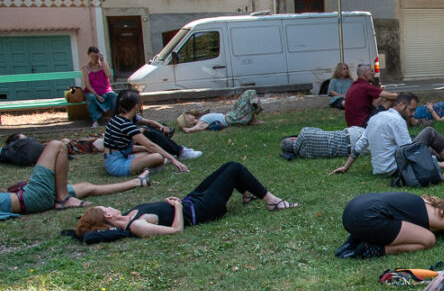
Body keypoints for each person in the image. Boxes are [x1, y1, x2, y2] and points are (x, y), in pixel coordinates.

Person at [73, 161, 297, 239]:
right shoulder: (136, 225)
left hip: (191, 200)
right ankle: (272, 201)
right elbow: (176, 231)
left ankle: (247, 192)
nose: (110, 205)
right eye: (106, 207)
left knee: (226, 168)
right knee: (235, 168)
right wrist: (178, 207)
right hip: (202, 209)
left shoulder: (128, 215)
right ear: (108, 216)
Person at [331, 93, 444, 176]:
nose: (413, 114)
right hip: (395, 169)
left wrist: (346, 166)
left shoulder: (376, 117)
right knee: (429, 133)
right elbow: (409, 152)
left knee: (417, 140)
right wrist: (437, 164)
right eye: (411, 110)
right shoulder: (397, 121)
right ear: (400, 105)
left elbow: (360, 144)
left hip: (379, 170)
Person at [1, 140, 151, 220]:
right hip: (31, 197)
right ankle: (63, 198)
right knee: (57, 146)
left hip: (32, 198)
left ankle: (137, 182)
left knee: (86, 187)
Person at [103, 90, 190, 176]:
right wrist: (173, 160)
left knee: (153, 153)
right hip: (117, 165)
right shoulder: (126, 125)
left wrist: (146, 149)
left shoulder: (117, 119)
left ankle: (153, 165)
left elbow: (123, 148)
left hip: (114, 159)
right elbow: (151, 145)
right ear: (136, 106)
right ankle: (152, 167)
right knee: (158, 157)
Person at [176, 90, 263, 133]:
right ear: (188, 121)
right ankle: (253, 116)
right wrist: (185, 128)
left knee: (246, 97)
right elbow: (192, 129)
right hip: (233, 118)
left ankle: (252, 117)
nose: (189, 114)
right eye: (187, 116)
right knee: (250, 93)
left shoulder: (200, 118)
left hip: (232, 115)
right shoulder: (200, 122)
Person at [344, 63, 396, 128]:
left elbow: (379, 97)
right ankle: (397, 119)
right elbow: (392, 96)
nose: (373, 73)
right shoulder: (365, 86)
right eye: (371, 71)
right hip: (362, 124)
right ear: (365, 74)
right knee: (390, 99)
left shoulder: (355, 85)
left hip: (352, 124)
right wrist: (399, 96)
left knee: (383, 97)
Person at [81, 46, 118, 128]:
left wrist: (102, 62)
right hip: (92, 91)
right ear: (88, 56)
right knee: (91, 97)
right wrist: (97, 95)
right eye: (92, 56)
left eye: (95, 56)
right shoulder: (85, 68)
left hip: (105, 90)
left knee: (114, 96)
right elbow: (87, 84)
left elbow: (109, 75)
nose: (94, 58)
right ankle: (95, 119)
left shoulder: (103, 65)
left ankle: (116, 117)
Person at [280, 126, 364, 160]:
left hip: (352, 151)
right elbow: (321, 131)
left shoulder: (304, 155)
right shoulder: (304, 132)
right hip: (350, 135)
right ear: (292, 138)